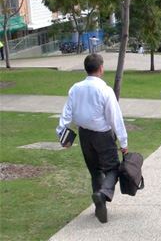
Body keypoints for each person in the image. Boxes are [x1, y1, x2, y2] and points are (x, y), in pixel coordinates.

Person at [56, 54, 128, 223]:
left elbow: (67, 112)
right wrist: (123, 142)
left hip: (84, 135)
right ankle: (103, 194)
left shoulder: (76, 88)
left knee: (94, 171)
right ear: (101, 68)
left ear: (86, 68)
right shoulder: (105, 90)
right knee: (112, 168)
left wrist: (62, 134)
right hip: (102, 135)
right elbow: (114, 118)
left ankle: (99, 207)